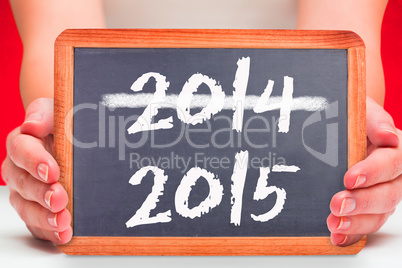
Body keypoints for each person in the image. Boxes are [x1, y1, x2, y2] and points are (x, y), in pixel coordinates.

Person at [1, 0, 401, 247]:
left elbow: (338, 52)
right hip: (117, 193)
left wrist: (356, 144)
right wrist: (55, 157)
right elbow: (66, 57)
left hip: (294, 199)